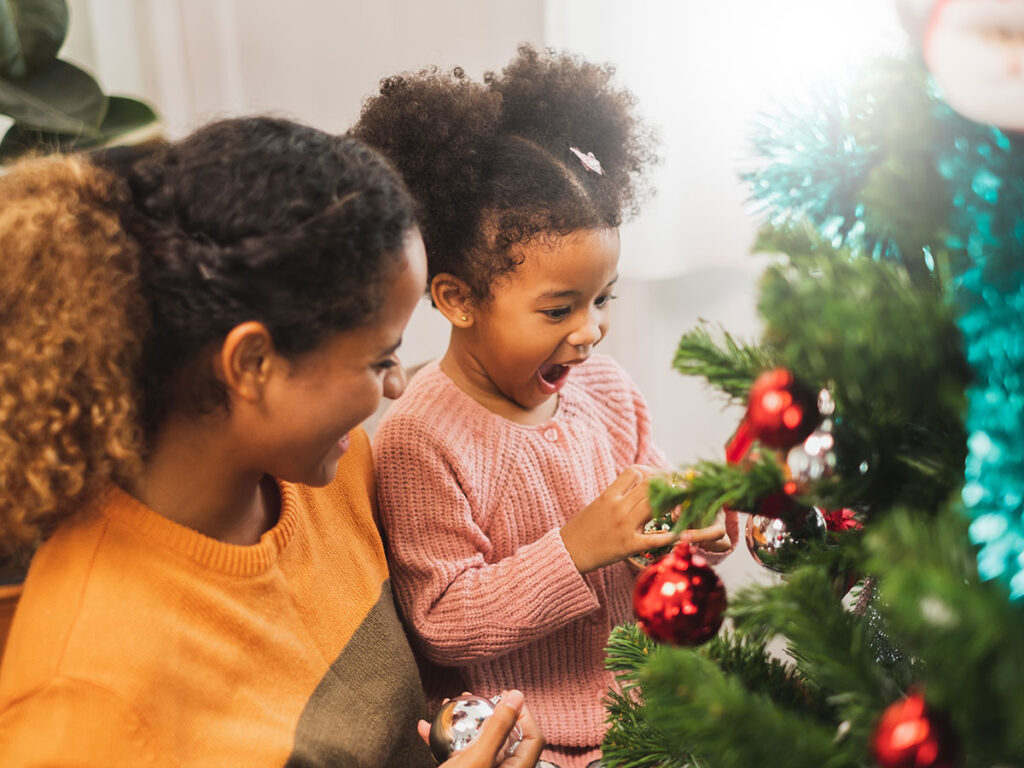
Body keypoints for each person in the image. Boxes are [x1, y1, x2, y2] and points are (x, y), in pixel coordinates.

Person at [0, 118, 542, 767]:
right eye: (379, 359)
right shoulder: (84, 694)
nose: (398, 386)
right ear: (252, 362)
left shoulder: (336, 470)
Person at [354, 47, 739, 768]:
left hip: (660, 709)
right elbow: (441, 621)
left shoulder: (608, 391)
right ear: (457, 300)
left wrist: (698, 520)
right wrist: (575, 549)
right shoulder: (418, 439)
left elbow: (652, 518)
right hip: (545, 746)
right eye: (559, 308)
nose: (590, 330)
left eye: (603, 299)